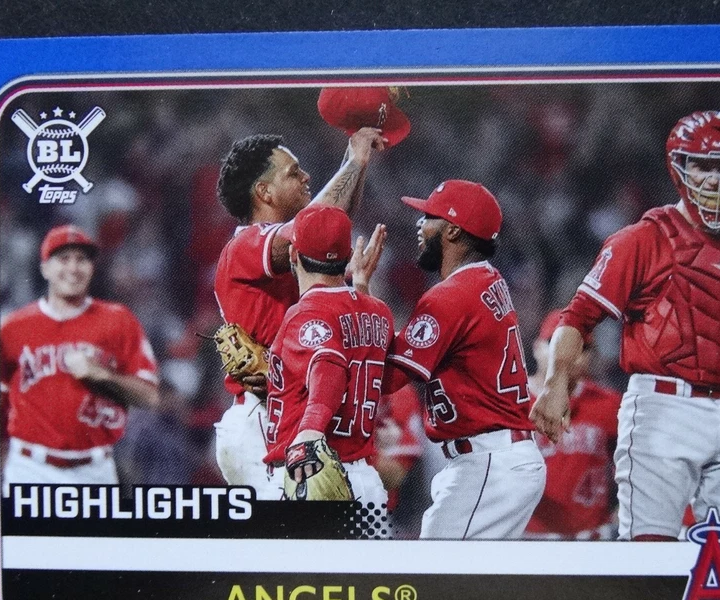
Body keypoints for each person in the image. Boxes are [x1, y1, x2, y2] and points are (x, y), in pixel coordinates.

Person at [531, 111, 720, 541]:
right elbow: (578, 317)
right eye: (703, 165)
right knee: (652, 548)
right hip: (662, 405)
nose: (716, 179)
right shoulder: (642, 239)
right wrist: (557, 384)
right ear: (679, 168)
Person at [213, 126, 386, 497]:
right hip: (260, 420)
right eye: (293, 173)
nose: (306, 176)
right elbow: (309, 228)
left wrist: (356, 162)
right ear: (264, 192)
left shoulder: (304, 253)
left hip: (288, 415)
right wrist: (353, 162)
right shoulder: (245, 244)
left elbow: (325, 226)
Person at [386, 179, 546, 539]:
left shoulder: (451, 295)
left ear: (453, 231)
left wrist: (362, 306)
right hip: (498, 457)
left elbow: (388, 379)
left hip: (488, 462)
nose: (420, 225)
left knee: (435, 569)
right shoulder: (488, 279)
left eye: (429, 217)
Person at [0, 225, 159, 490]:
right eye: (63, 259)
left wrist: (102, 375)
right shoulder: (14, 327)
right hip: (30, 468)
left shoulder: (118, 320)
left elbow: (149, 397)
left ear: (92, 268)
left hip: (94, 470)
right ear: (45, 269)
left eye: (82, 259)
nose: (73, 268)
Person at [263, 204, 392, 507]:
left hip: (313, 473)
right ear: (349, 256)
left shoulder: (304, 313)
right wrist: (360, 285)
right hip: (365, 480)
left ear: (293, 254)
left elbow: (329, 367)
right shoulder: (378, 311)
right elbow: (357, 349)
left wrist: (310, 431)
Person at [524, 311, 621, 541]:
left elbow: (635, 467)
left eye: (581, 348)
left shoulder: (609, 404)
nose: (567, 354)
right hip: (526, 538)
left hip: (591, 539)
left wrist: (623, 513)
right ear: (537, 348)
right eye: (555, 342)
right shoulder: (511, 402)